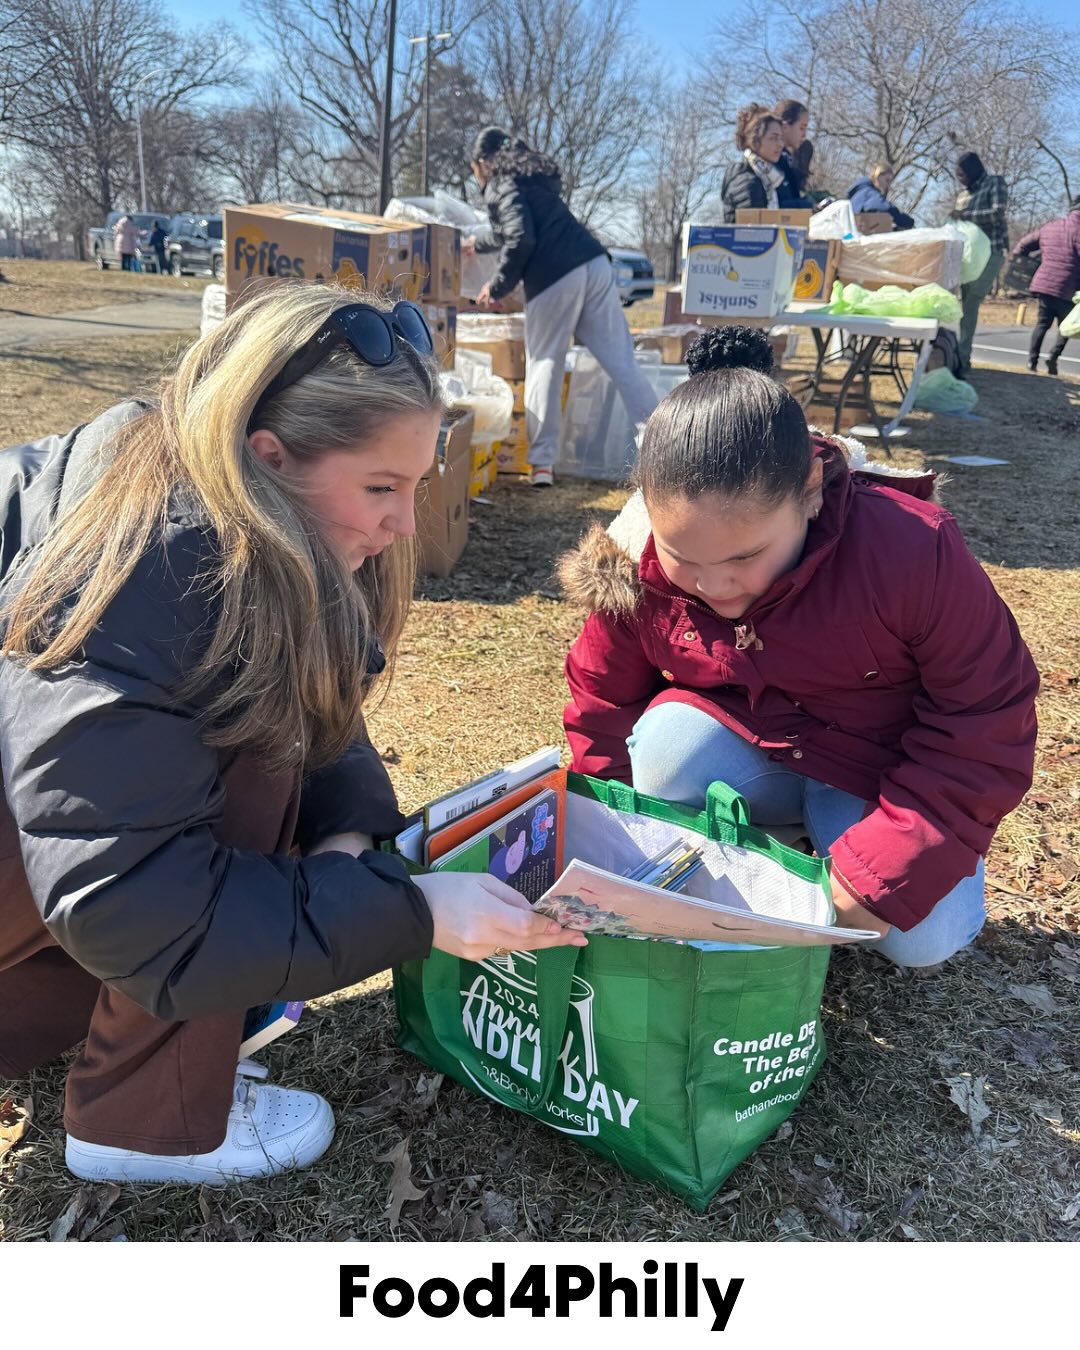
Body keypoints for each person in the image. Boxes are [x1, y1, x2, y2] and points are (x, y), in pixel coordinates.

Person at [0, 284, 586, 1186]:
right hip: (78, 889)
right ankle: (144, 1124)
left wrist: (349, 834)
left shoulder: (204, 494)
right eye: (381, 488)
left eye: (417, 484)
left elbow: (318, 712)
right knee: (247, 749)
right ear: (269, 459)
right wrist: (413, 911)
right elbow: (137, 911)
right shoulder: (159, 570)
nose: (403, 525)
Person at [559, 326, 1038, 967]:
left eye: (745, 556)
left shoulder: (909, 550)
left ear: (811, 489)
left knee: (922, 940)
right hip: (748, 743)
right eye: (683, 558)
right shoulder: (637, 552)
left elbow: (986, 722)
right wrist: (618, 837)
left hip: (880, 768)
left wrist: (877, 873)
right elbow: (602, 698)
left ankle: (844, 851)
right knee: (662, 759)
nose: (713, 585)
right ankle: (785, 846)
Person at [462, 127, 658, 489]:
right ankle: (662, 449)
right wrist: (478, 242)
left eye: (474, 168)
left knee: (545, 361)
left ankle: (541, 463)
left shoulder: (500, 183)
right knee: (621, 360)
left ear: (482, 163)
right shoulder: (531, 180)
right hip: (595, 262)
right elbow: (512, 230)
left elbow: (522, 237)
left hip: (554, 275)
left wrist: (498, 285)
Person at [950, 151, 1009, 377]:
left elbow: (997, 213)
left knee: (973, 299)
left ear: (973, 170)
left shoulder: (995, 183)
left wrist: (965, 215)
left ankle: (963, 360)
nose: (961, 179)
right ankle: (958, 357)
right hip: (970, 255)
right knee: (965, 304)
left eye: (963, 174)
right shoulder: (965, 194)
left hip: (992, 251)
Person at [1011, 196, 1080, 376]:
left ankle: (1031, 361)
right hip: (1069, 288)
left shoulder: (1051, 227)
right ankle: (1053, 358)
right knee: (1064, 327)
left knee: (1042, 324)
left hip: (1045, 285)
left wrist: (1021, 262)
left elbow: (1023, 245)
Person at [721, 106, 787, 220]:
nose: (780, 144)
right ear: (754, 140)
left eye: (781, 138)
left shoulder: (765, 177)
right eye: (773, 138)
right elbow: (753, 233)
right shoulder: (747, 182)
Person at [772, 99, 814, 210]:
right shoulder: (772, 161)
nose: (804, 134)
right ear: (785, 127)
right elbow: (778, 204)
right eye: (801, 128)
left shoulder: (786, 159)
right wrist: (809, 206)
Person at [847, 164, 915, 231]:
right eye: (887, 180)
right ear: (878, 176)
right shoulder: (868, 192)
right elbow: (885, 208)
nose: (888, 185)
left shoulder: (859, 190)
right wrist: (906, 220)